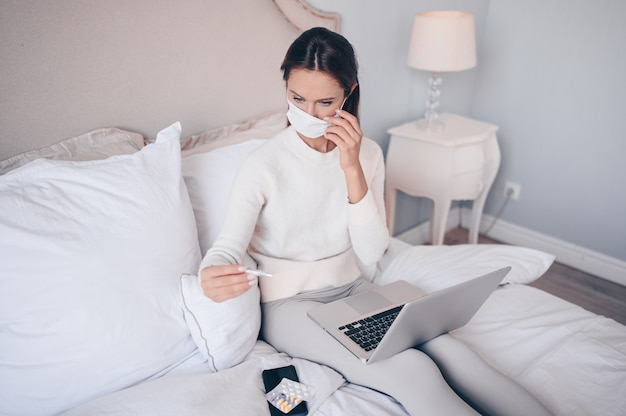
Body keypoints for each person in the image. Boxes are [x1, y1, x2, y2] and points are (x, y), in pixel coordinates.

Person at [199, 27, 551, 416]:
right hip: (290, 306)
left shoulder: (368, 154)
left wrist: (351, 168)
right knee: (412, 371)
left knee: (456, 354)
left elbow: (371, 251)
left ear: (348, 93)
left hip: (356, 289)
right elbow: (226, 247)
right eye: (297, 98)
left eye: (324, 101)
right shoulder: (262, 165)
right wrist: (212, 273)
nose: (309, 113)